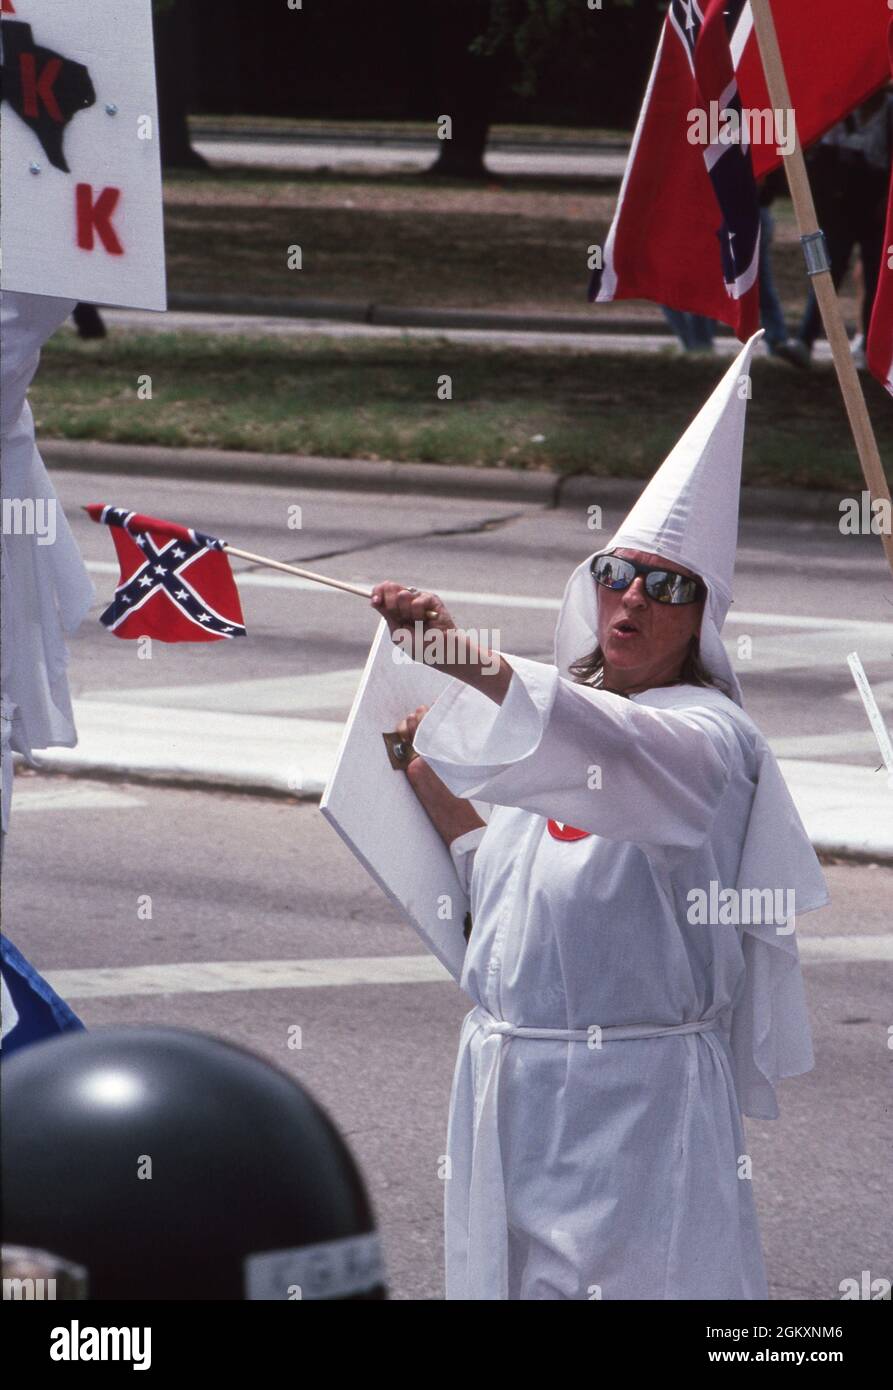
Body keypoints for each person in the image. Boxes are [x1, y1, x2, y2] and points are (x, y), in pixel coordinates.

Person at [370, 331, 829, 1301]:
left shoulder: (708, 736)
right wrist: (428, 785)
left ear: (699, 618)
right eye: (615, 572)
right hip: (505, 1084)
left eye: (665, 585)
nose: (631, 599)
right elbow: (510, 885)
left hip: (635, 1099)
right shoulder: (560, 732)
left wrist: (463, 658)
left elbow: (620, 752)